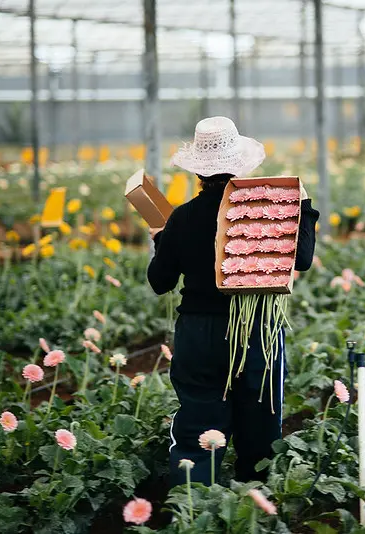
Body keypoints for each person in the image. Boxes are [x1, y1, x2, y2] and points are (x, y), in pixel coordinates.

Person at [147, 116, 320, 488]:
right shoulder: (259, 212)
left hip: (198, 333)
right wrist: (305, 207)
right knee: (259, 424)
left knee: (198, 423)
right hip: (255, 329)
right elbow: (302, 259)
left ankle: (192, 512)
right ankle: (252, 504)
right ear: (241, 165)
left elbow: (159, 282)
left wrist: (162, 240)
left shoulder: (180, 218)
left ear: (199, 172)